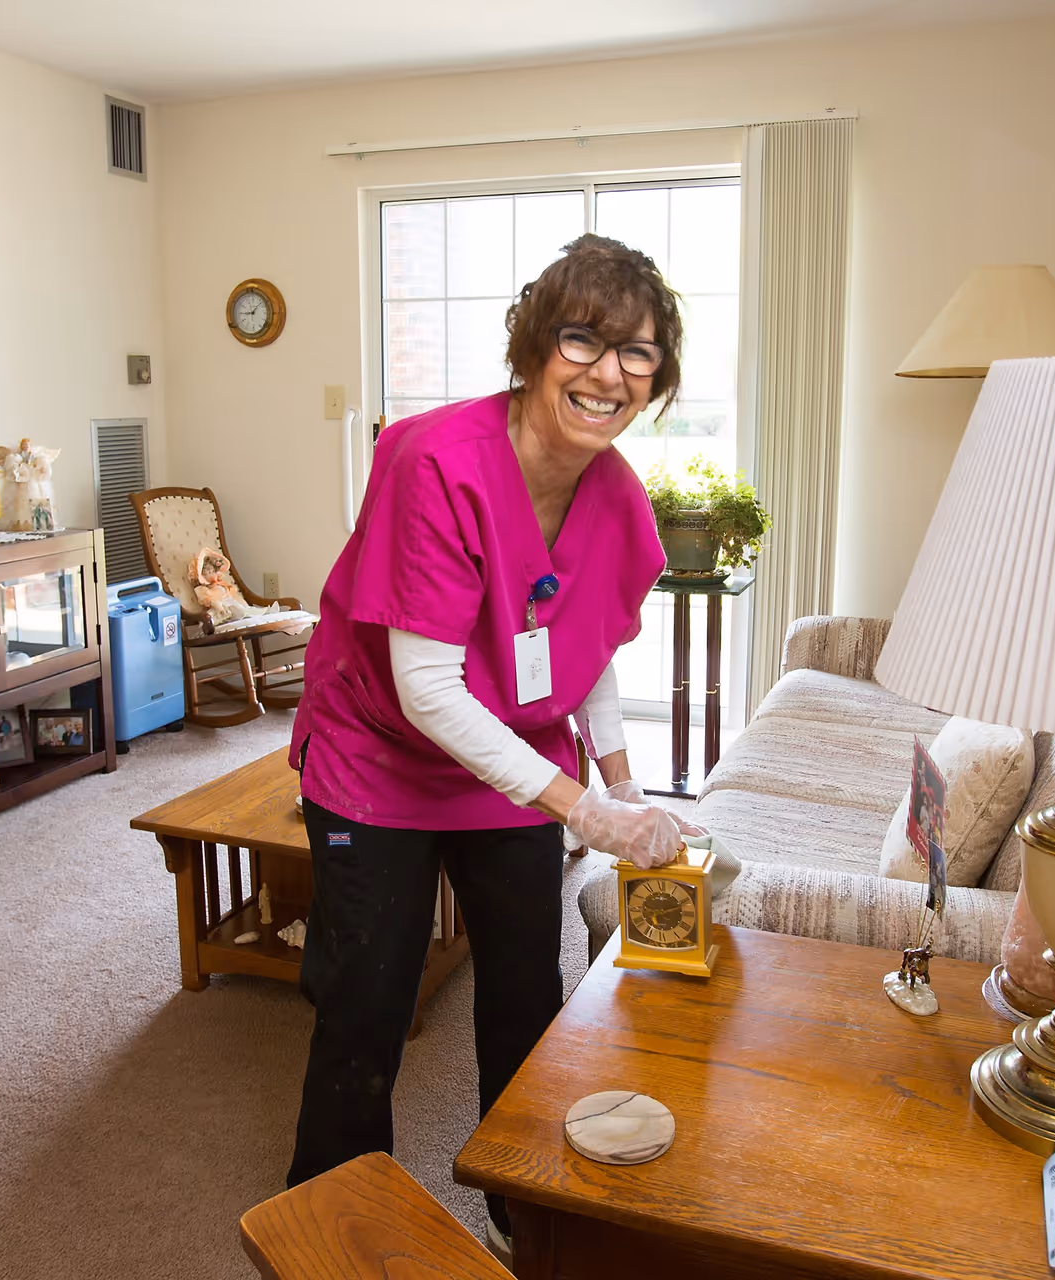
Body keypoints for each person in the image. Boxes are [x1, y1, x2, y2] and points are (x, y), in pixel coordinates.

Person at [285, 234, 703, 1258]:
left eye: (638, 353)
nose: (609, 373)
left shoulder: (612, 491)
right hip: (379, 754)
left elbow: (585, 640)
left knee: (528, 994)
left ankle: (527, 1208)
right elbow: (426, 687)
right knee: (366, 1004)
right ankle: (331, 1223)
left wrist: (620, 781)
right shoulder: (433, 460)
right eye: (585, 340)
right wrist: (577, 805)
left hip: (512, 762)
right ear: (534, 346)